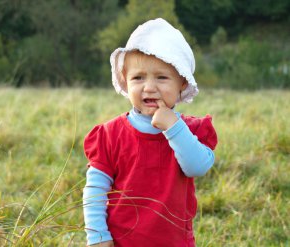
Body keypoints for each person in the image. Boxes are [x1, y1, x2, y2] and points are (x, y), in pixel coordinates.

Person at [82, 18, 218, 247]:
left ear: (182, 83)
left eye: (162, 77)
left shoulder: (191, 131)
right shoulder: (110, 134)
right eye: (138, 77)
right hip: (121, 241)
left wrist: (173, 127)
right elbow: (95, 190)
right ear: (126, 82)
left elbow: (197, 166)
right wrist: (98, 236)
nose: (149, 87)